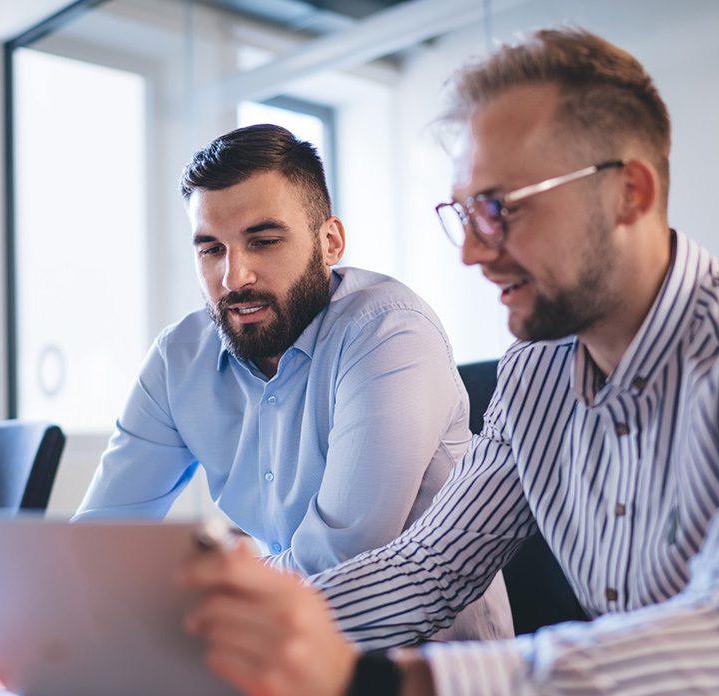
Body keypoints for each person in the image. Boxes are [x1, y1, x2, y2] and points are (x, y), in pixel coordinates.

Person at [183, 29, 719, 696]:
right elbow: (428, 568)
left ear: (631, 192)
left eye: (503, 207)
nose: (471, 250)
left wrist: (370, 694)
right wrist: (243, 637)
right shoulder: (534, 376)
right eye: (465, 213)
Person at [77, 123, 513, 640]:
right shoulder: (180, 358)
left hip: (430, 679)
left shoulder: (390, 333)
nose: (234, 278)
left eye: (263, 241)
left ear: (329, 243)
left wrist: (177, 596)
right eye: (211, 249)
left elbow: (339, 564)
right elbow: (96, 545)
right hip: (266, 650)